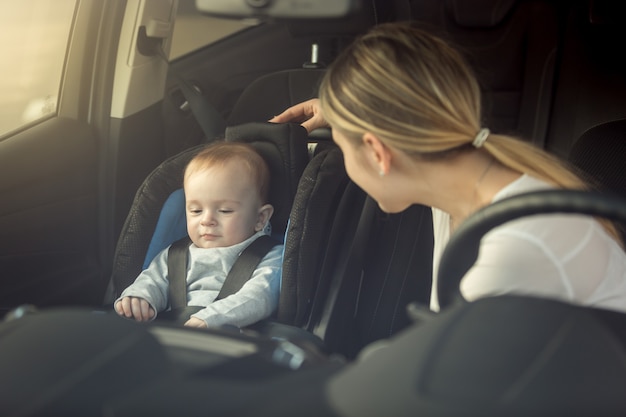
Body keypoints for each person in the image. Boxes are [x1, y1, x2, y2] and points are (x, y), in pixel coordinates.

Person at [270, 21, 626, 313]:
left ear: (378, 153)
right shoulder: (466, 185)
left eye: (344, 149)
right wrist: (346, 112)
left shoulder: (511, 251)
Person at [114, 141, 282, 328]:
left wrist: (212, 318)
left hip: (233, 338)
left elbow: (259, 295)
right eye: (195, 210)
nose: (206, 220)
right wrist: (139, 298)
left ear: (260, 218)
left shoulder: (271, 257)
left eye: (225, 210)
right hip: (174, 334)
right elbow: (152, 281)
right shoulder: (174, 255)